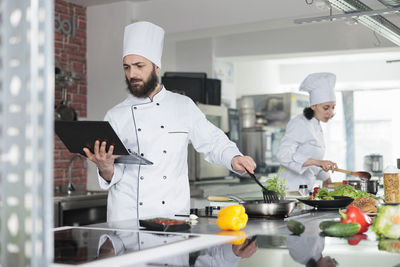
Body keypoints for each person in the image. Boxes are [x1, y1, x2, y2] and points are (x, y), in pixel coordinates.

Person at [83, 21, 256, 222]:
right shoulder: (115, 115)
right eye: (127, 67)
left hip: (172, 218)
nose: (132, 74)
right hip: (128, 220)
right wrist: (105, 167)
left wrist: (234, 157)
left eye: (139, 66)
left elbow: (214, 140)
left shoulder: (183, 106)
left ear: (157, 67)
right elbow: (113, 173)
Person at [276, 72, 338, 191]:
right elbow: (283, 155)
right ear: (313, 106)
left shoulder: (316, 125)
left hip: (305, 190)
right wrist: (318, 162)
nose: (330, 112)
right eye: (326, 107)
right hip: (289, 190)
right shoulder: (299, 123)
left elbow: (312, 162)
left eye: (333, 107)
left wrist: (326, 178)